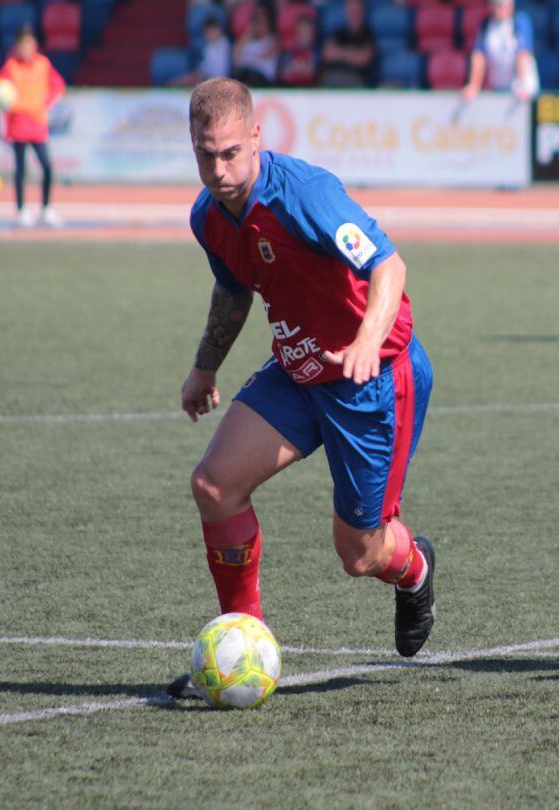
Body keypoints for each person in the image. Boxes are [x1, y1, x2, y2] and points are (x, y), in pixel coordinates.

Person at [168, 78, 436, 697]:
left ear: (256, 137)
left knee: (360, 555)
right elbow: (234, 291)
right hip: (298, 371)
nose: (219, 168)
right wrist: (204, 367)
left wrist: (368, 341)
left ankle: (415, 568)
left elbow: (387, 266)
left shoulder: (305, 195)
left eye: (231, 152)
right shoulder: (208, 217)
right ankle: (243, 643)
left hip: (372, 380)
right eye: (206, 154)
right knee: (214, 486)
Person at [0, 26, 66, 228]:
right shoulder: (11, 66)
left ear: (35, 45)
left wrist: (45, 102)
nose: (26, 48)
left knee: (47, 167)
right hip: (18, 124)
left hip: (38, 123)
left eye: (30, 44)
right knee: (21, 169)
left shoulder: (43, 64)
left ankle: (46, 208)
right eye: (23, 44)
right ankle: (21, 210)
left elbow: (58, 85)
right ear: (17, 46)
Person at [461, 0, 539, 102]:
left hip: (524, 86)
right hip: (499, 85)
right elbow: (479, 56)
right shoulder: (485, 25)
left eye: (501, 5)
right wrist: (474, 86)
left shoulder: (520, 21)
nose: (498, 9)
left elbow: (522, 55)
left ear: (510, 4)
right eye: (495, 5)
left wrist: (521, 85)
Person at [319, 0, 375, 89]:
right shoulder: (338, 33)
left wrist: (339, 52)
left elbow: (363, 58)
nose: (354, 13)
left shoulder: (367, 34)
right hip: (333, 76)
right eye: (351, 10)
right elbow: (327, 54)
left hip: (355, 78)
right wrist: (352, 52)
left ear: (362, 12)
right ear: (346, 12)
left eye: (356, 10)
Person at [170, 17, 232, 86]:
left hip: (218, 80)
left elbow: (220, 72)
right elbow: (204, 68)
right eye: (208, 32)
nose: (210, 34)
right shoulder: (208, 47)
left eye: (213, 31)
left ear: (219, 30)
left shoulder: (225, 45)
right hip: (206, 76)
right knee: (178, 81)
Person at [232, 4, 280, 86]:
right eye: (256, 21)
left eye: (261, 21)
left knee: (250, 76)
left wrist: (247, 57)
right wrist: (248, 34)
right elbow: (235, 57)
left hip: (261, 77)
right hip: (243, 74)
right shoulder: (248, 41)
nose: (258, 25)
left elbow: (264, 56)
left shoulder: (274, 40)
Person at [279, 11, 318, 87]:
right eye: (301, 27)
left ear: (312, 29)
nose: (303, 31)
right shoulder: (290, 49)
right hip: (291, 87)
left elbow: (313, 72)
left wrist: (296, 68)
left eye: (306, 28)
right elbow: (284, 73)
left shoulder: (316, 48)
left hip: (311, 88)